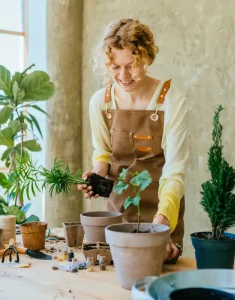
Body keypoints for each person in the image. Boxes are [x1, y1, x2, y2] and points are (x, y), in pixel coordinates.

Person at [78, 18, 189, 263]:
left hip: (162, 211)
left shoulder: (171, 101)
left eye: (132, 65)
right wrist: (97, 175)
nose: (124, 76)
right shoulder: (100, 102)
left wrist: (163, 223)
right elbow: (103, 152)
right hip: (116, 215)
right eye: (115, 67)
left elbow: (174, 171)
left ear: (147, 58)